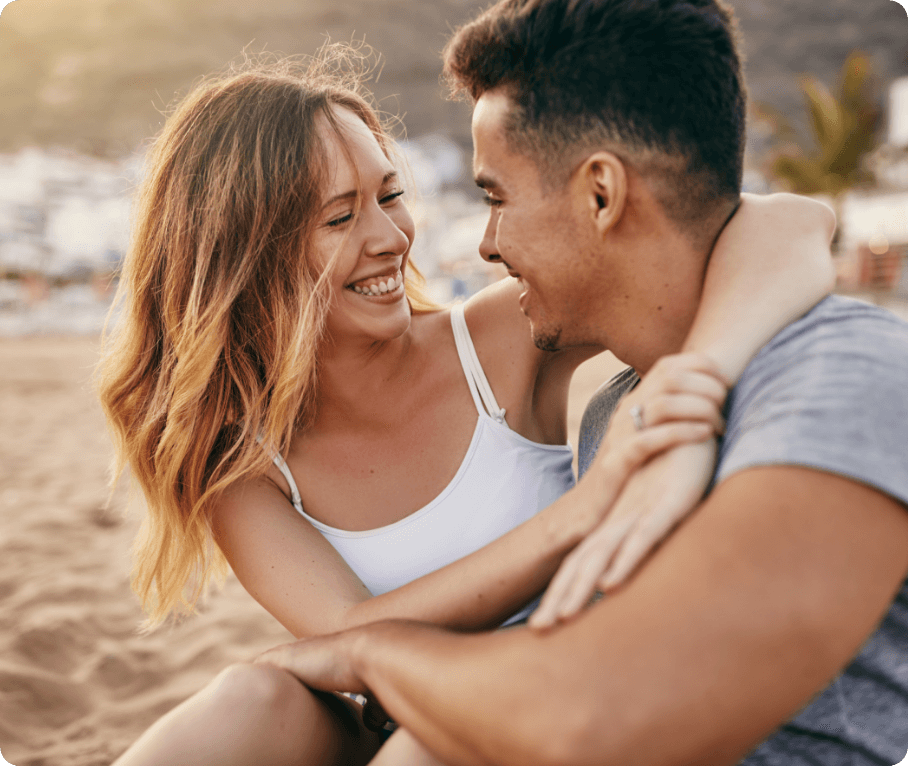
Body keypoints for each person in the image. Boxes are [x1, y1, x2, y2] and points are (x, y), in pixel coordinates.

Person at [100, 46, 836, 766]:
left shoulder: (500, 339)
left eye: (389, 197)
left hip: (564, 700)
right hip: (407, 714)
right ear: (245, 254)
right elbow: (348, 637)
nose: (391, 238)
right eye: (340, 217)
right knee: (252, 699)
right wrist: (587, 509)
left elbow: (793, 222)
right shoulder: (243, 463)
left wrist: (693, 390)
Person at [255, 2, 908, 765]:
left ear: (602, 193)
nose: (486, 244)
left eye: (495, 197)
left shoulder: (841, 379)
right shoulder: (615, 412)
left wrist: (368, 656)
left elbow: (585, 719)